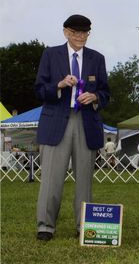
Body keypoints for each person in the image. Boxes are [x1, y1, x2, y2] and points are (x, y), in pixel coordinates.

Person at [35, 14, 110, 241]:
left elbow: (106, 93)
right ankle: (45, 227)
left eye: (85, 32)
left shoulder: (97, 58)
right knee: (50, 179)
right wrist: (58, 85)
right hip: (56, 120)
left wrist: (95, 96)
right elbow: (39, 89)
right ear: (66, 32)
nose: (81, 37)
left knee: (85, 181)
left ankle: (84, 226)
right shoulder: (50, 55)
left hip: (86, 122)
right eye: (76, 32)